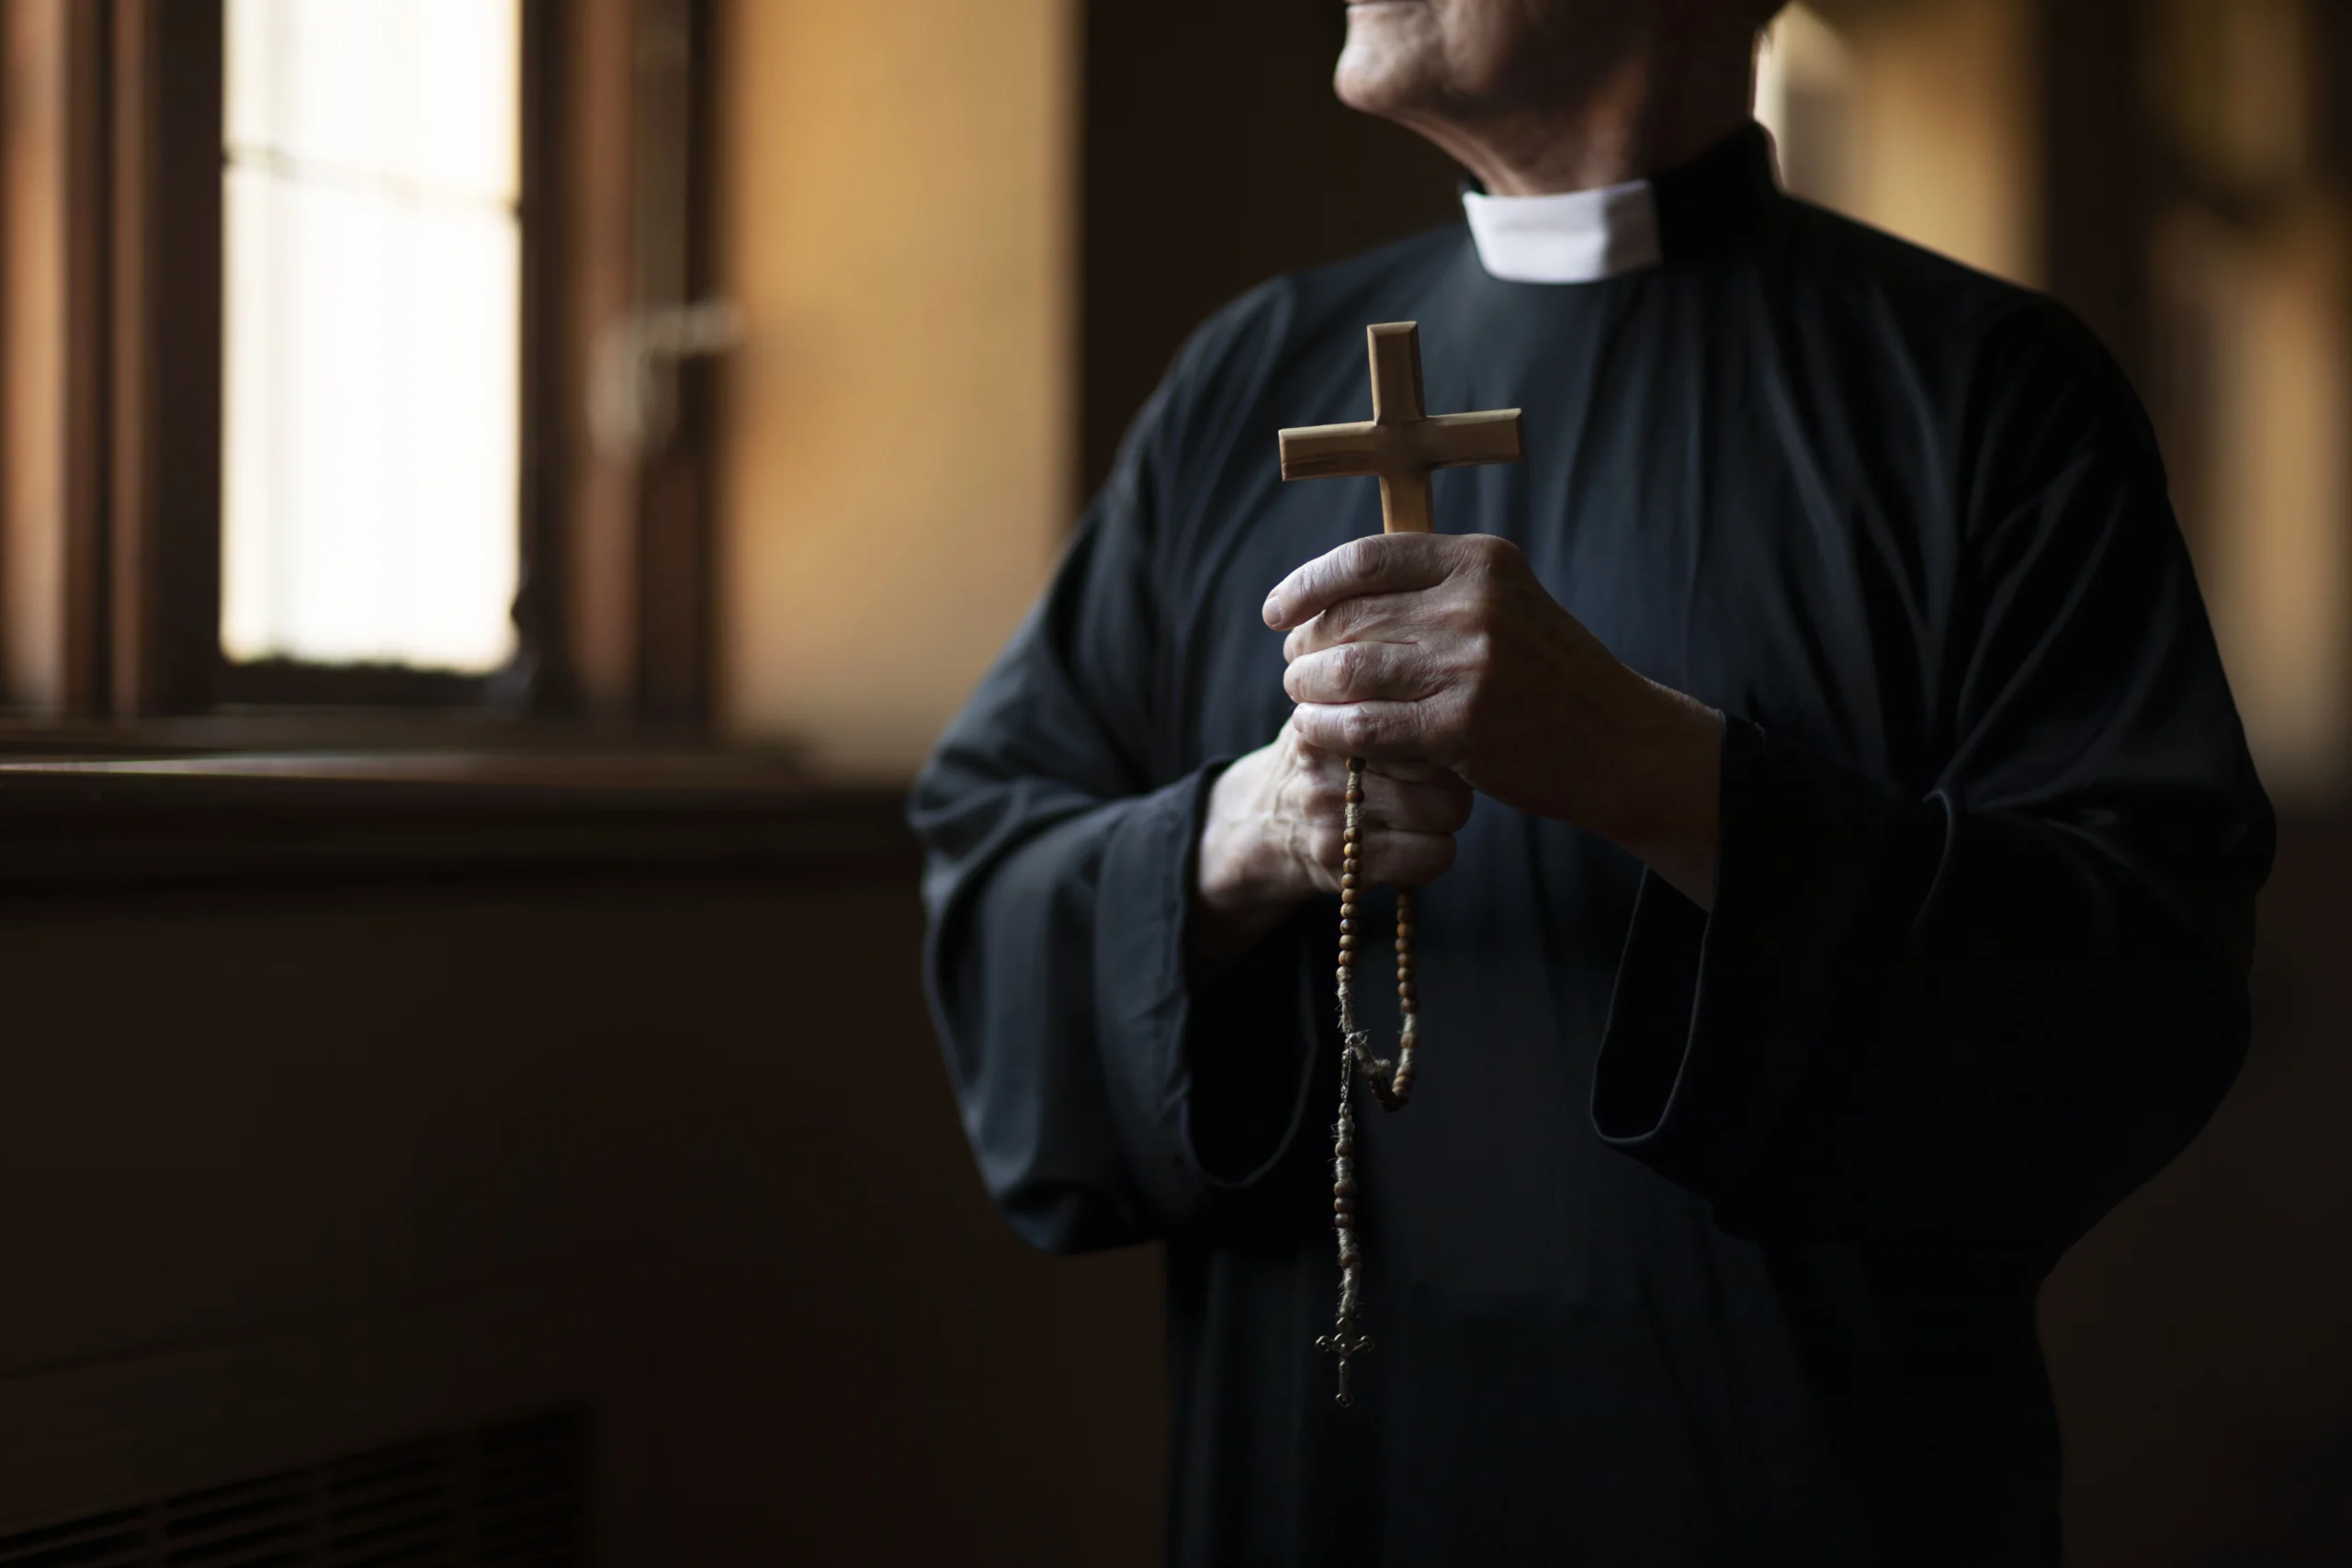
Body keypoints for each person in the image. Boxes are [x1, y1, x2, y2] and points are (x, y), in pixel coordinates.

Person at [910, 0, 2274, 1561]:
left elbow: (2138, 982)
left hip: (1789, 1485)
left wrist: (1655, 770)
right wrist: (1244, 831)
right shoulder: (1242, 381)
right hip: (1325, 1482)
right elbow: (993, 873)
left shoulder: (1989, 397)